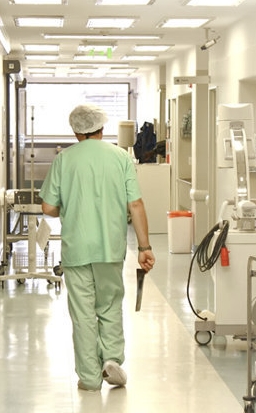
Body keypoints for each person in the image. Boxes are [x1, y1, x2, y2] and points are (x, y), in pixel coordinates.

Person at [39, 104, 155, 391]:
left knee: (82, 314)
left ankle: (89, 377)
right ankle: (111, 359)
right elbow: (136, 203)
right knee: (110, 305)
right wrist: (144, 247)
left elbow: (48, 207)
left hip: (77, 248)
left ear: (76, 131)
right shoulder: (120, 157)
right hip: (110, 247)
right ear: (102, 128)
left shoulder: (64, 160)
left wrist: (69, 207)